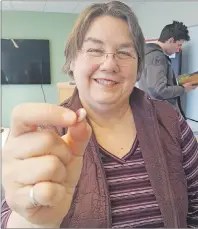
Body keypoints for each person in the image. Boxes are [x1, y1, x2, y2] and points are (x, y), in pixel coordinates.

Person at [1, 1, 198, 228]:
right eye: (94, 50)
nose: (109, 64)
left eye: (124, 52)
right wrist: (33, 220)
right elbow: (9, 217)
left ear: (138, 66)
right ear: (72, 60)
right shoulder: (47, 135)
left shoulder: (170, 120)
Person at [138, 21, 197, 115]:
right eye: (179, 45)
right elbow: (159, 91)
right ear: (170, 40)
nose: (178, 49)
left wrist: (177, 81)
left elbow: (152, 83)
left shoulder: (148, 53)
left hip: (152, 112)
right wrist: (183, 89)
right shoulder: (157, 56)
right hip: (161, 114)